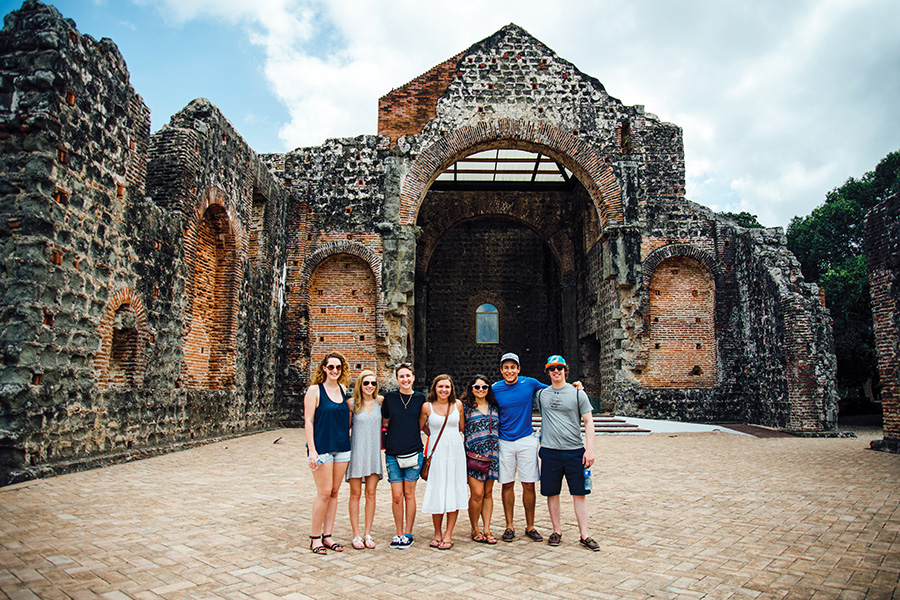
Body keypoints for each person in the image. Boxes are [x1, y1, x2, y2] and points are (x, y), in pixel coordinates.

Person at [533, 355, 599, 551]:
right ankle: (556, 530)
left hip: (574, 451)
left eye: (559, 368)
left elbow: (588, 422)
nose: (556, 371)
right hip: (550, 451)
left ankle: (584, 534)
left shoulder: (578, 394)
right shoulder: (541, 394)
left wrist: (590, 449)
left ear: (565, 370)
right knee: (552, 493)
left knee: (579, 493)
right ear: (547, 372)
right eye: (552, 368)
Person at [492, 352, 546, 543]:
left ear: (519, 369)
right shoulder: (495, 389)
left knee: (528, 483)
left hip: (525, 440)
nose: (509, 371)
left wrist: (574, 387)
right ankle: (509, 526)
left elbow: (554, 390)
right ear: (501, 370)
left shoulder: (530, 383)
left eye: (513, 367)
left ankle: (530, 526)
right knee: (507, 484)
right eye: (506, 367)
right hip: (504, 441)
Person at [304, 351, 352, 555]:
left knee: (334, 492)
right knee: (323, 493)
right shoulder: (315, 390)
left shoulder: (343, 389)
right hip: (322, 447)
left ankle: (328, 535)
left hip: (342, 448)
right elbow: (308, 421)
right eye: (331, 367)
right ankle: (315, 538)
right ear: (324, 368)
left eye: (338, 367)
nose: (334, 370)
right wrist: (312, 450)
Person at [420, 374, 468, 550]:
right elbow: (421, 425)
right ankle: (437, 532)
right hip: (437, 451)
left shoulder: (458, 405)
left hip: (455, 451)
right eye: (440, 387)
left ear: (451, 389)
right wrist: (432, 435)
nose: (443, 390)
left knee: (453, 490)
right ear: (435, 388)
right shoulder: (427, 407)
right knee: (438, 490)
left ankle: (448, 533)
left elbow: (462, 427)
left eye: (447, 387)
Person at [381, 363, 426, 549]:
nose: (405, 380)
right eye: (401, 377)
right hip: (393, 452)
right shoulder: (390, 399)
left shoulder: (420, 399)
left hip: (414, 451)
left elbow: (423, 423)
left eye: (408, 376)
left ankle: (408, 533)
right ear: (397, 379)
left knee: (409, 494)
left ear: (413, 377)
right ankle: (398, 533)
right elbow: (384, 422)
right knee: (397, 496)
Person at [345, 369, 383, 549]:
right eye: (366, 383)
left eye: (373, 383)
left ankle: (368, 533)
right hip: (357, 453)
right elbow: (345, 428)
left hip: (373, 453)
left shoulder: (380, 402)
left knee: (371, 494)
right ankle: (356, 534)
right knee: (355, 494)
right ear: (360, 384)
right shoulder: (352, 404)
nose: (369, 386)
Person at [462, 374, 501, 545]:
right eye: (477, 387)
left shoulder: (494, 406)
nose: (480, 390)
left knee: (488, 493)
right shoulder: (465, 407)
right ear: (471, 389)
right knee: (476, 494)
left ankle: (486, 528)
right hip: (474, 456)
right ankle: (474, 527)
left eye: (484, 387)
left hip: (492, 455)